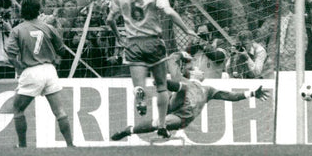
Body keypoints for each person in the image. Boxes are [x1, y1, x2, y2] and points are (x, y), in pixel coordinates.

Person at [106, 0, 199, 138]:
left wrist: (119, 37)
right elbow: (169, 12)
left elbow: (110, 19)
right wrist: (186, 29)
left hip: (133, 42)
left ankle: (139, 93)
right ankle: (162, 125)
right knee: (162, 86)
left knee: (139, 85)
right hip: (154, 42)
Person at [111, 51, 270, 140]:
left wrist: (252, 93)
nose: (199, 70)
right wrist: (181, 54)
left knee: (159, 123)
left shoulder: (208, 89)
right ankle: (162, 84)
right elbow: (172, 60)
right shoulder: (184, 79)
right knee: (182, 87)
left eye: (198, 69)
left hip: (181, 117)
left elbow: (231, 96)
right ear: (192, 73)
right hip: (175, 101)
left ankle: (128, 131)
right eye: (195, 69)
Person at [5, 0, 74, 148]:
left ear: (22, 11)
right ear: (38, 10)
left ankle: (22, 146)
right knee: (60, 111)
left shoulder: (17, 30)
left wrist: (19, 66)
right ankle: (70, 144)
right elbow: (62, 50)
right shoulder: (48, 27)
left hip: (31, 70)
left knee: (17, 108)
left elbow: (10, 54)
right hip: (50, 70)